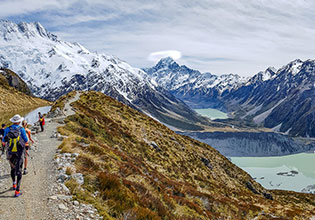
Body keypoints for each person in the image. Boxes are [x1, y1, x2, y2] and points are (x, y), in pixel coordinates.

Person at [2, 114, 28, 197]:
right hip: (19, 152)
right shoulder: (21, 129)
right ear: (19, 121)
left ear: (13, 121)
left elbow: (3, 141)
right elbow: (26, 140)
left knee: (12, 168)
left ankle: (13, 184)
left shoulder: (7, 129)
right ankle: (17, 190)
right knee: (19, 169)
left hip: (10, 152)